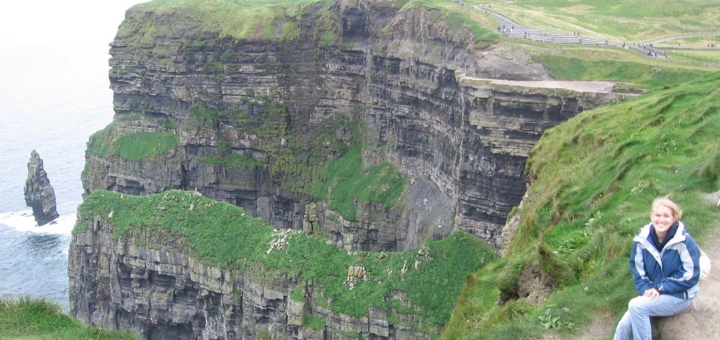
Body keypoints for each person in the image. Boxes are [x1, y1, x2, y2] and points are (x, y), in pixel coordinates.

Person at [613, 197, 701, 340]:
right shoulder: (641, 240)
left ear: (674, 218)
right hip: (653, 294)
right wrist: (646, 290)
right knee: (623, 325)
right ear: (651, 216)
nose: (661, 220)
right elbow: (638, 272)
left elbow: (691, 274)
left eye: (666, 216)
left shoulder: (683, 241)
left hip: (679, 296)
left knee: (636, 306)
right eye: (657, 215)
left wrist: (660, 288)